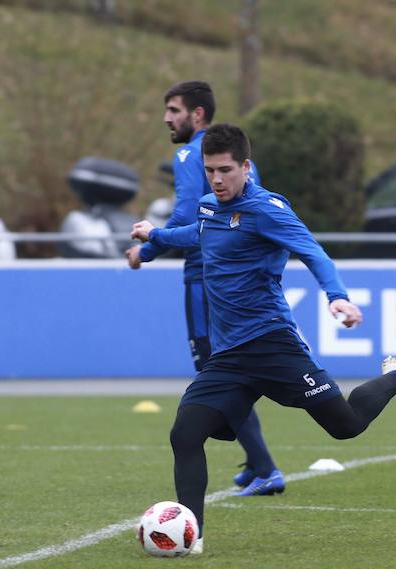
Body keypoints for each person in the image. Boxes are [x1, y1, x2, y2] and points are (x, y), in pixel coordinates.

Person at [130, 124, 396, 554]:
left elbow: (313, 252)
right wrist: (154, 236)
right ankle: (193, 537)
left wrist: (337, 297)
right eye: (210, 171)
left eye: (226, 170)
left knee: (346, 427)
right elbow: (195, 234)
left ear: (246, 166)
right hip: (228, 357)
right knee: (185, 433)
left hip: (272, 344)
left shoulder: (269, 210)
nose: (217, 179)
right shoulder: (209, 208)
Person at [126, 81, 285, 497]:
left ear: (197, 115)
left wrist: (149, 249)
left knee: (216, 371)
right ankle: (256, 463)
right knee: (232, 364)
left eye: (174, 110)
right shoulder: (237, 158)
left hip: (205, 273)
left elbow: (183, 213)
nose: (167, 118)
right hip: (240, 270)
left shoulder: (189, 152)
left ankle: (266, 468)